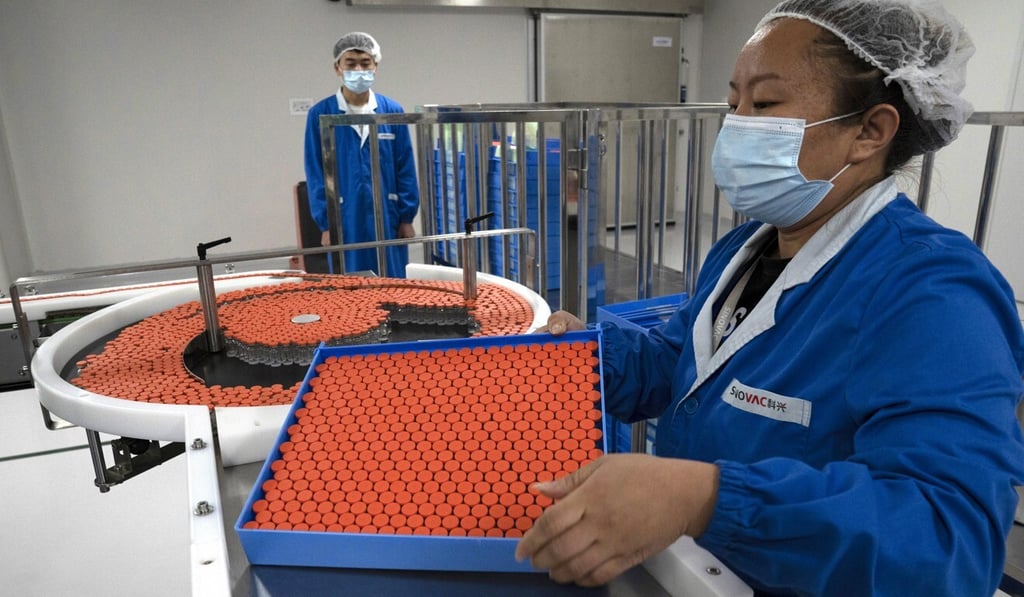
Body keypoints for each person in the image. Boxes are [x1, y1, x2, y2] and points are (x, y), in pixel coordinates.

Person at [516, 1, 1024, 595]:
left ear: (869, 131)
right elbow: (684, 365)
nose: (736, 126)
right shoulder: (746, 247)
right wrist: (582, 356)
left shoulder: (933, 294)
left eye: (764, 105)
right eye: (733, 103)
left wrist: (704, 498)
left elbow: (947, 540)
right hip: (696, 572)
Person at [304, 32, 419, 277]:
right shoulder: (321, 114)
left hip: (388, 215)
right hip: (345, 216)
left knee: (393, 281)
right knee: (350, 283)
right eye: (351, 63)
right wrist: (326, 223)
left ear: (375, 66)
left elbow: (405, 166)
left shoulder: (391, 111)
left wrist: (407, 217)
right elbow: (316, 171)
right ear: (337, 68)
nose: (358, 70)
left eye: (365, 63)